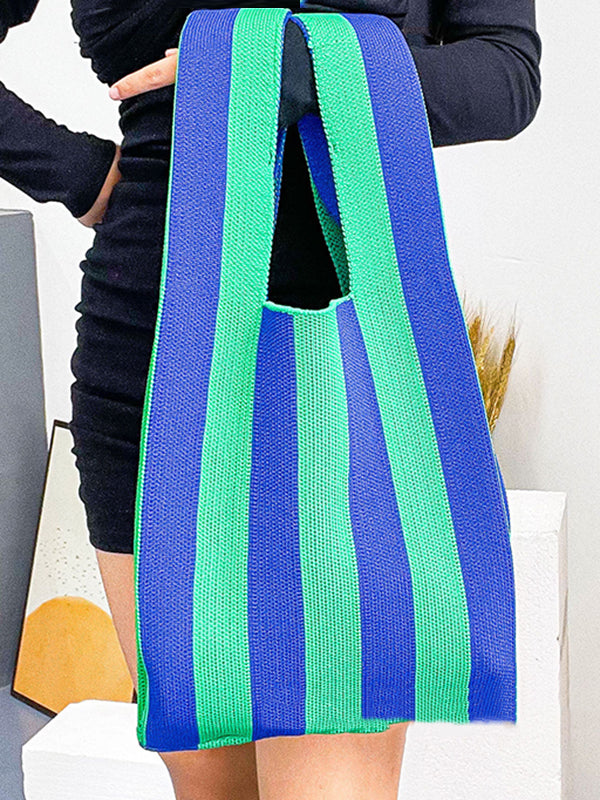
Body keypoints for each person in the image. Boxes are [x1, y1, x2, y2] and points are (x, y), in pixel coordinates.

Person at [0, 0, 541, 798]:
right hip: (151, 355)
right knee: (209, 784)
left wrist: (301, 64)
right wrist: (77, 174)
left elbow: (506, 70)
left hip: (347, 369)